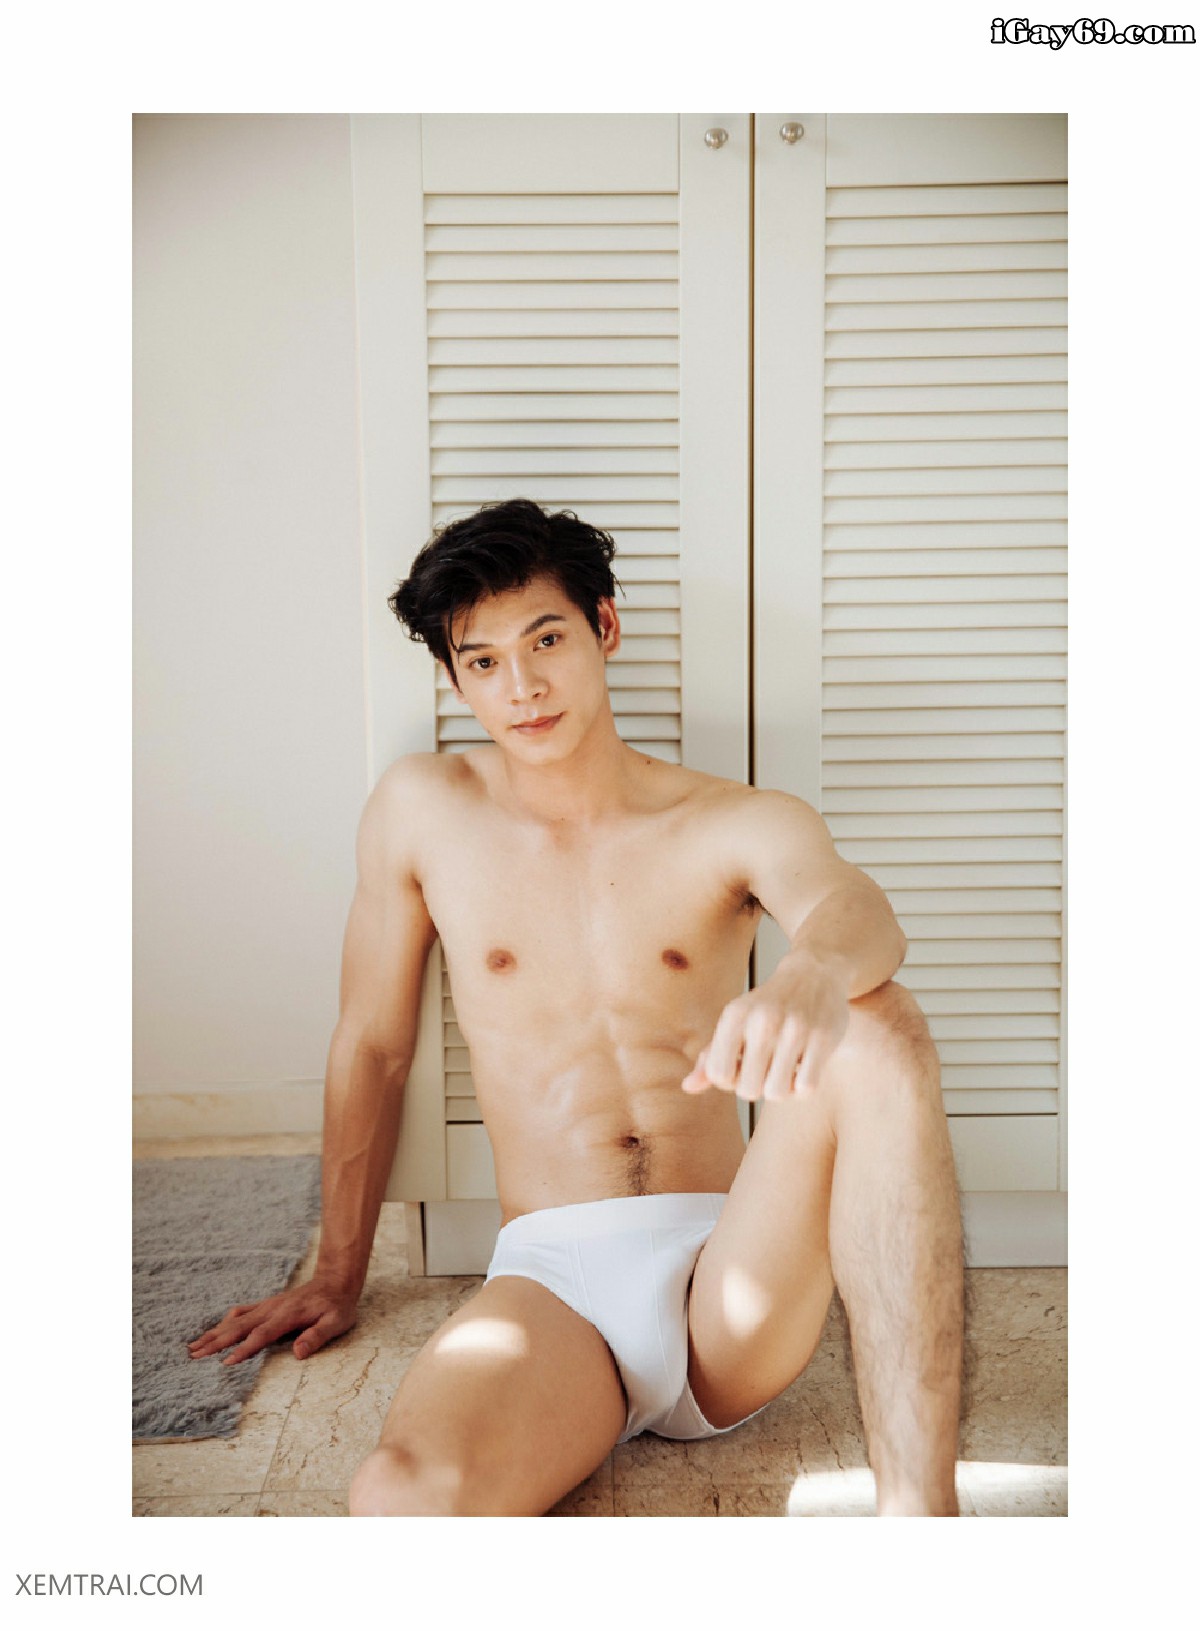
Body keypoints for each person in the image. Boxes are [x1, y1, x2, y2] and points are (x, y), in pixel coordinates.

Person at [188, 498, 964, 1516]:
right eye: (483, 661)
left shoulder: (730, 818)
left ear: (604, 626)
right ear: (455, 678)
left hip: (734, 1265)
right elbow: (372, 1043)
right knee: (401, 1497)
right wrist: (337, 1271)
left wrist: (812, 968)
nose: (522, 686)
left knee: (880, 1021)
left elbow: (859, 912)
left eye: (546, 640)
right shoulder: (422, 812)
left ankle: (922, 1521)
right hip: (553, 1279)